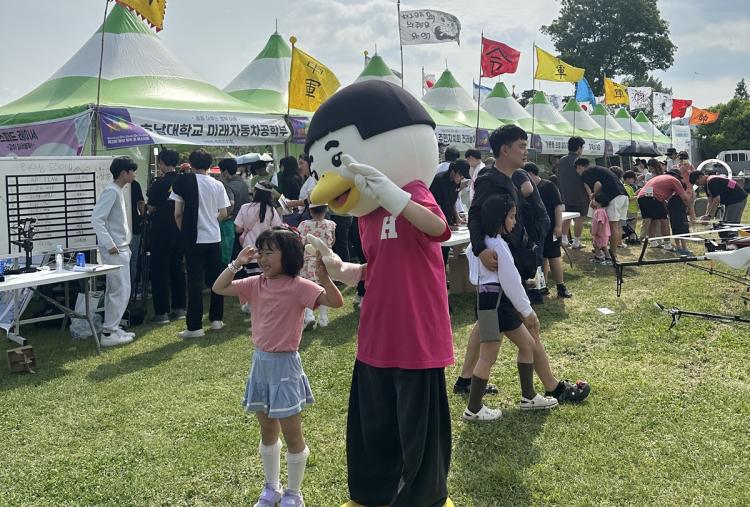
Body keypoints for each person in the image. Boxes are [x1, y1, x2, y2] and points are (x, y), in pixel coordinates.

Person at [455, 125, 590, 404]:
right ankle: (551, 387)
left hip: (508, 262)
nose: (526, 151)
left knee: (486, 324)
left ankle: (466, 381)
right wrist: (481, 249)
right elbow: (475, 216)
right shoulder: (490, 180)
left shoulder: (510, 178)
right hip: (502, 266)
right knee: (528, 325)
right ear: (505, 150)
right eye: (521, 146)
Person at [212, 228, 343, 507]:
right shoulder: (255, 283)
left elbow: (336, 302)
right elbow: (219, 288)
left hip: (285, 368)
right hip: (260, 365)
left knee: (293, 435)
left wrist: (324, 278)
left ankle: (294, 494)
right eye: (261, 252)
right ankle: (271, 488)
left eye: (270, 252)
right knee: (268, 432)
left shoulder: (299, 286)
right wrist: (236, 263)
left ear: (290, 256)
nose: (262, 258)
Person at [463, 194, 559, 421]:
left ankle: (529, 397)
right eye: (512, 217)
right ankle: (473, 409)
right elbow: (511, 282)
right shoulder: (498, 245)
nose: (515, 222)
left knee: (527, 345)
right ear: (499, 218)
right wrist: (527, 311)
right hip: (497, 305)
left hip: (487, 302)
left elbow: (471, 259)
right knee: (488, 356)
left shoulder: (479, 244)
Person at [171, 149, 231, 339]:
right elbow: (224, 213)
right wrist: (212, 220)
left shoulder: (183, 181)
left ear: (191, 164)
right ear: (209, 164)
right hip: (214, 238)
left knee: (194, 283)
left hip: (194, 238)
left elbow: (177, 213)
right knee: (216, 280)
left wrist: (185, 231)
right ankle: (216, 319)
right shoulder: (217, 184)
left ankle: (195, 327)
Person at [90, 156, 138, 346]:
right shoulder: (111, 191)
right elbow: (97, 219)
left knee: (118, 289)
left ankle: (112, 327)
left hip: (121, 247)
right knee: (120, 290)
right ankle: (109, 332)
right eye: (132, 171)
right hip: (115, 249)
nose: (134, 174)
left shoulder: (117, 190)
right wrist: (109, 244)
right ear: (124, 173)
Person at [147, 149, 186, 324]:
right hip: (180, 231)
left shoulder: (158, 183)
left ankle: (162, 312)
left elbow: (151, 207)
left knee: (160, 271)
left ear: (162, 163)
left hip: (160, 232)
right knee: (178, 268)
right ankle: (180, 308)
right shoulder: (184, 180)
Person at [524, 163, 572, 298]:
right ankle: (542, 285)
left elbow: (558, 206)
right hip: (535, 230)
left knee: (554, 256)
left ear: (530, 174)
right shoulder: (527, 189)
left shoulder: (548, 186)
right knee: (541, 257)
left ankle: (561, 286)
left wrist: (558, 226)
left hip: (551, 228)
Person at [298, 205, 337, 329]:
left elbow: (300, 241)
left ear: (310, 211)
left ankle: (309, 315)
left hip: (308, 261)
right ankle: (323, 318)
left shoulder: (303, 224)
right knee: (324, 287)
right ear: (326, 210)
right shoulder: (331, 224)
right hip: (325, 261)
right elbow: (333, 240)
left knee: (307, 288)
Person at [235, 181, 284, 276]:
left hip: (248, 251)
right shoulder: (271, 209)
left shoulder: (245, 208)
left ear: (256, 193)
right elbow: (277, 229)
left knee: (250, 279)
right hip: (265, 251)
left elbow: (238, 229)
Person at [578, 163, 629, 254]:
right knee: (617, 225)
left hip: (614, 197)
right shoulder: (598, 170)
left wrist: (593, 197)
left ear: (579, 167)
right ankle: (612, 248)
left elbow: (598, 185)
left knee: (612, 226)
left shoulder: (586, 173)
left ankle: (613, 253)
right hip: (623, 196)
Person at [637, 173, 697, 249]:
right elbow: (684, 198)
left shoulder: (658, 178)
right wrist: (691, 209)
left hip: (642, 197)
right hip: (652, 197)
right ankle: (667, 244)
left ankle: (653, 242)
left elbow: (651, 191)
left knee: (654, 219)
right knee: (664, 221)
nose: (680, 180)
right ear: (675, 176)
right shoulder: (674, 180)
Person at [430, 160, 470, 265]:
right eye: (461, 175)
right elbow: (436, 206)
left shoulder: (456, 183)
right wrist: (445, 224)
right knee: (440, 250)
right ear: (454, 171)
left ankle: (445, 270)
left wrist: (457, 218)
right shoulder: (439, 180)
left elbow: (452, 202)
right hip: (438, 221)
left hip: (448, 219)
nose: (461, 179)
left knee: (446, 250)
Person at [557, 136, 588, 249]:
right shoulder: (580, 161)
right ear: (579, 147)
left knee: (567, 217)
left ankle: (564, 239)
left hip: (565, 194)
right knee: (579, 218)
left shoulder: (561, 160)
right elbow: (585, 178)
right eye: (582, 147)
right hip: (580, 195)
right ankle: (576, 242)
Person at [220, 157, 251, 259]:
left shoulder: (228, 186)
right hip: (244, 222)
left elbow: (231, 203)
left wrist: (225, 215)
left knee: (229, 254)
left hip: (232, 223)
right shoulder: (243, 183)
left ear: (225, 172)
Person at [128, 178, 146, 298]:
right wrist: (145, 218)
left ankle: (130, 290)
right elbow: (140, 204)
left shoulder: (112, 185)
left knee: (129, 260)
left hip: (121, 229)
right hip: (134, 227)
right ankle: (135, 290)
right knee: (134, 259)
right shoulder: (134, 184)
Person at [590, 192, 612, 265]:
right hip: (602, 233)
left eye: (594, 200)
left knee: (599, 246)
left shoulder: (600, 211)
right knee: (600, 246)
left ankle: (603, 258)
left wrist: (597, 232)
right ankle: (603, 257)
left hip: (600, 234)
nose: (593, 201)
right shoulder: (600, 210)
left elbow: (600, 222)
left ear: (599, 202)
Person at [623, 170, 640, 239]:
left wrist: (637, 192)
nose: (634, 181)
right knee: (632, 224)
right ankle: (632, 238)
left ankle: (630, 237)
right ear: (628, 178)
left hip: (631, 209)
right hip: (630, 209)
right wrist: (638, 196)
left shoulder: (628, 187)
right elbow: (629, 199)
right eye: (633, 179)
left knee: (631, 224)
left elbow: (632, 196)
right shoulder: (626, 187)